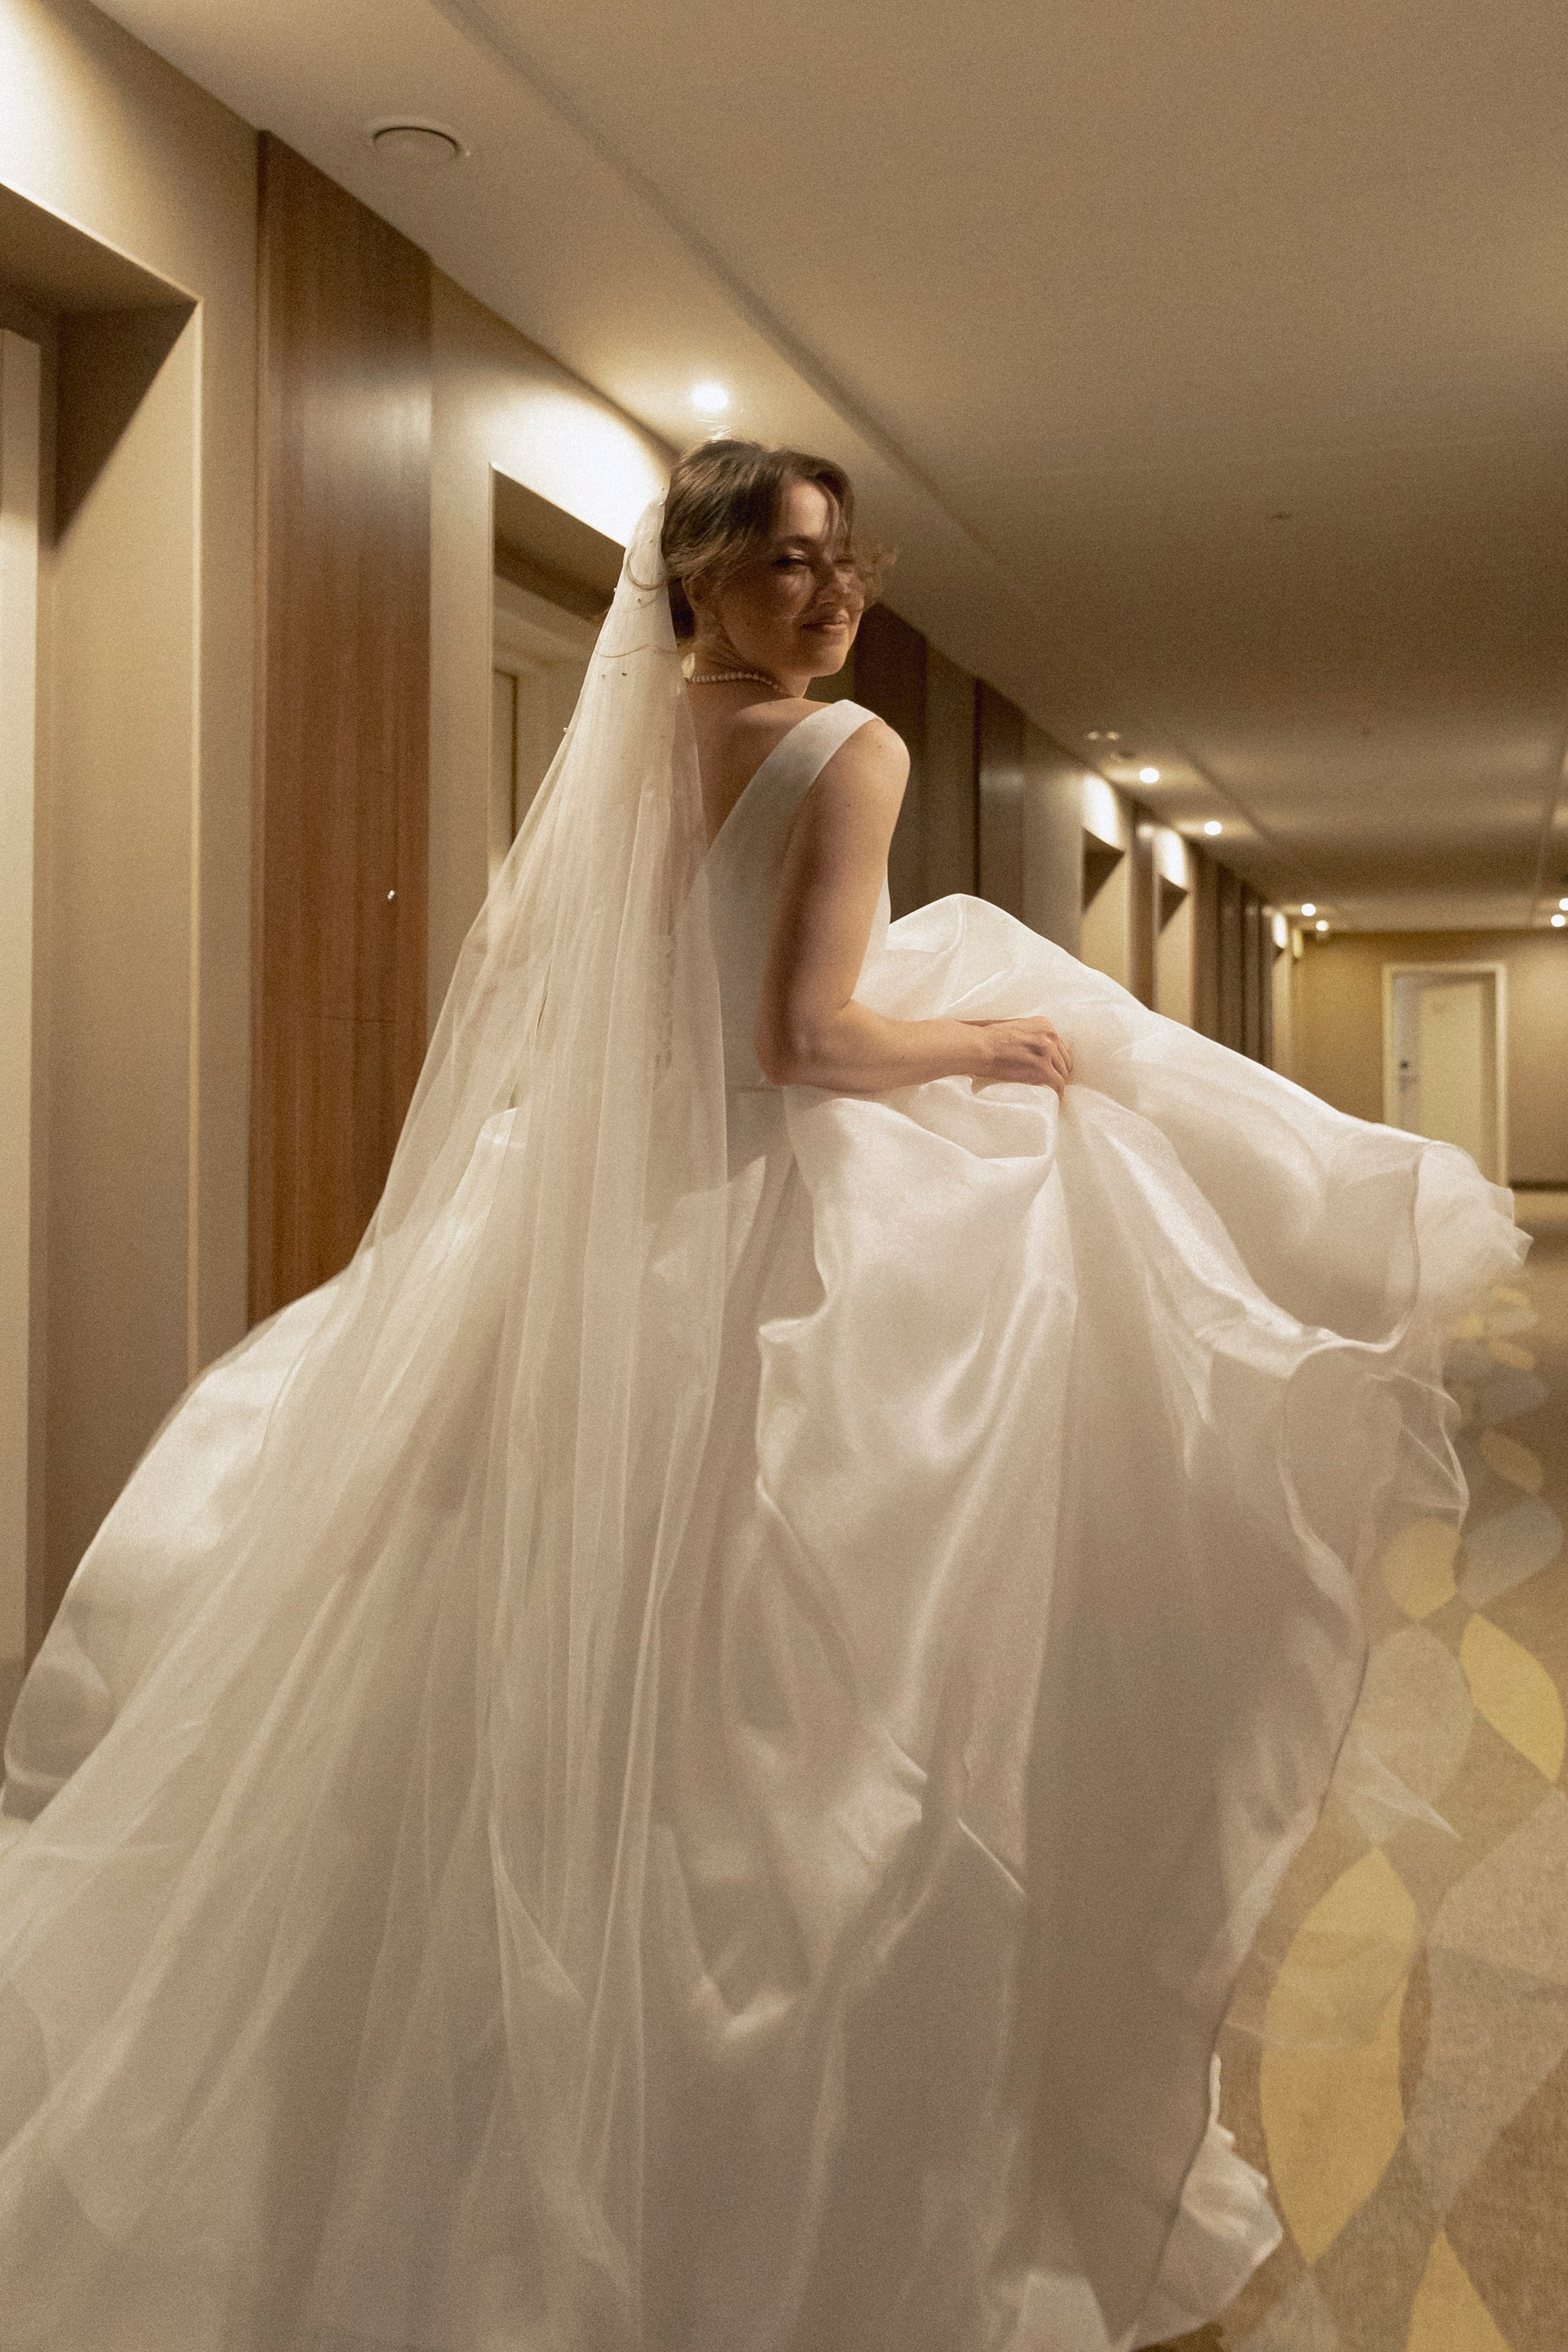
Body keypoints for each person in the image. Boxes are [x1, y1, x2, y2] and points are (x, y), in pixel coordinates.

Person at [0, 440, 1521, 2352]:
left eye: (845, 560)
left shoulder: (622, 742)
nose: (833, 592)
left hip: (586, 1230)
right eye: (788, 562)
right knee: (790, 1695)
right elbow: (803, 1038)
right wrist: (985, 1044)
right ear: (700, 575)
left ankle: (440, 2117)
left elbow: (592, 1001)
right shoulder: (846, 749)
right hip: (760, 1223)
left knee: (502, 1666)